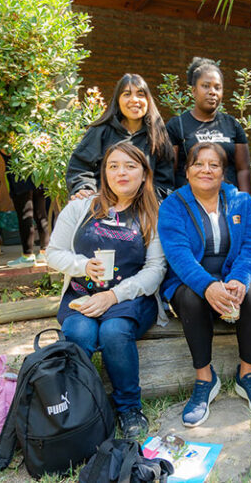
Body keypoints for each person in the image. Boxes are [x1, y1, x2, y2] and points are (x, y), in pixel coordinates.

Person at [46, 142, 168, 439]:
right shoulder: (80, 208)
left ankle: (129, 408)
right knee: (79, 333)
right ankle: (79, 406)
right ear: (104, 173)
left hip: (131, 298)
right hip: (82, 294)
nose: (121, 172)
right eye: (113, 166)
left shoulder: (153, 213)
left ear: (144, 174)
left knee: (114, 331)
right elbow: (54, 253)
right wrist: (82, 266)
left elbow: (155, 269)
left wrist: (112, 296)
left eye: (130, 166)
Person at [158, 142, 251, 427]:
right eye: (198, 164)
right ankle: (205, 379)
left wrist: (239, 278)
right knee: (190, 297)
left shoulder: (242, 202)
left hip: (235, 277)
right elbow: (179, 255)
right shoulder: (173, 205)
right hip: (190, 281)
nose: (206, 170)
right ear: (187, 171)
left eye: (214, 165)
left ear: (224, 173)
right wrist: (208, 285)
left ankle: (247, 374)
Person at [67, 73, 175, 201]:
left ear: (148, 100)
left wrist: (148, 202)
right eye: (127, 94)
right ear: (118, 100)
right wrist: (84, 188)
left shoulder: (157, 136)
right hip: (103, 205)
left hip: (144, 208)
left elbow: (164, 181)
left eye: (140, 94)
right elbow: (80, 167)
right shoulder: (100, 131)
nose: (134, 100)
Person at [166, 57, 251, 192]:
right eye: (206, 86)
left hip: (228, 200)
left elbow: (243, 170)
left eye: (217, 87)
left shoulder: (232, 125)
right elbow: (169, 172)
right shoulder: (176, 126)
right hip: (188, 201)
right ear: (194, 90)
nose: (212, 92)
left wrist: (245, 201)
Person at [4, 156, 50, 267]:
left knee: (25, 215)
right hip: (37, 172)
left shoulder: (12, 146)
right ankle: (44, 252)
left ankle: (27, 256)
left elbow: (6, 153)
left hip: (20, 176)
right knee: (41, 214)